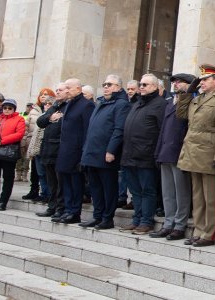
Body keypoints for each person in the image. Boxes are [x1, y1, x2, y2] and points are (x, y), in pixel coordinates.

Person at [176, 64, 215, 247]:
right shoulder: (197, 98)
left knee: (210, 198)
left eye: (206, 79)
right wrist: (186, 94)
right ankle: (198, 230)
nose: (202, 83)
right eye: (200, 80)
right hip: (193, 151)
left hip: (209, 152)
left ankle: (209, 233)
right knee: (198, 196)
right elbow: (181, 115)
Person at [79, 74, 129, 230]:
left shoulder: (121, 104)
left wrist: (111, 150)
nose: (106, 86)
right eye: (104, 84)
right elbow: (92, 129)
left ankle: (108, 218)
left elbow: (118, 129)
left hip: (106, 154)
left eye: (110, 84)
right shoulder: (101, 102)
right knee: (95, 187)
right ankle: (97, 216)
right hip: (92, 152)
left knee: (108, 187)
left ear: (119, 87)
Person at [119, 73, 165, 235]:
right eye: (141, 84)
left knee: (147, 190)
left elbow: (161, 132)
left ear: (155, 87)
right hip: (130, 155)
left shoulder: (159, 105)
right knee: (136, 191)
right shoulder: (137, 103)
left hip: (146, 156)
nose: (142, 87)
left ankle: (146, 221)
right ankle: (137, 219)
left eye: (145, 85)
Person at [152, 73, 195, 241]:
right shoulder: (170, 102)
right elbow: (163, 130)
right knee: (168, 192)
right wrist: (158, 151)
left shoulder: (191, 102)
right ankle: (168, 223)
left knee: (181, 192)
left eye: (181, 82)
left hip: (180, 152)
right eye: (175, 82)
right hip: (166, 152)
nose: (176, 84)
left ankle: (179, 224)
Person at [54, 78, 94, 224]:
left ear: (78, 89)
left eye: (69, 88)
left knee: (76, 183)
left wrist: (83, 153)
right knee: (65, 182)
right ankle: (67, 209)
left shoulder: (87, 105)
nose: (66, 90)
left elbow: (86, 131)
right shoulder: (68, 104)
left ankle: (74, 211)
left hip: (76, 151)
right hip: (65, 150)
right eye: (65, 88)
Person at [35, 83, 67, 218]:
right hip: (48, 149)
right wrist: (50, 117)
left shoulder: (68, 106)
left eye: (60, 90)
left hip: (59, 150)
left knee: (60, 182)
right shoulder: (54, 106)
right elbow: (40, 121)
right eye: (57, 90)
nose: (58, 92)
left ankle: (60, 208)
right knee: (51, 182)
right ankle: (52, 206)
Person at [22, 88, 55, 201]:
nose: (43, 97)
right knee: (39, 172)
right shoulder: (34, 110)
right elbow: (29, 128)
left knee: (46, 173)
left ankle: (48, 194)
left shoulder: (54, 114)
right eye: (41, 94)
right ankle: (40, 192)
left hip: (47, 147)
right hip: (35, 144)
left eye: (46, 95)